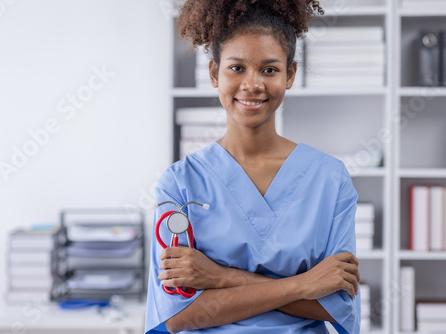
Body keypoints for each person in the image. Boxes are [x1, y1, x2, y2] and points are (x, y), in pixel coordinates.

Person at [145, 0, 361, 333]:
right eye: (237, 68)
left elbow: (334, 305)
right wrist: (305, 284)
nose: (253, 84)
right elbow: (177, 315)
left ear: (290, 75)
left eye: (270, 69)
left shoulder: (330, 179)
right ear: (214, 73)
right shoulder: (180, 182)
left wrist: (218, 277)